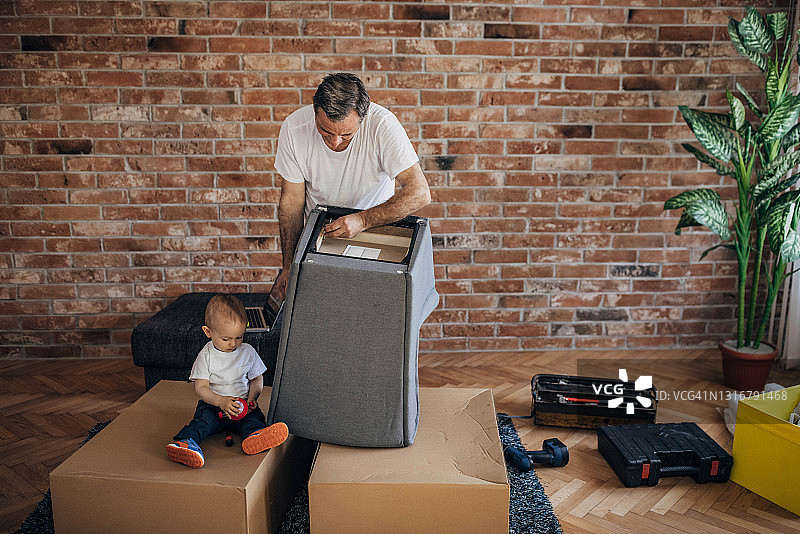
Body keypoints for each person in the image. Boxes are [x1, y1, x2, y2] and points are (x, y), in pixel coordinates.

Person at [272, 72, 432, 301]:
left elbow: (420, 192)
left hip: (373, 235)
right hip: (318, 239)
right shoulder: (295, 128)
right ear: (315, 110)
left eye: (346, 134)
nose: (335, 142)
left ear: (363, 118)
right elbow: (292, 202)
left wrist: (363, 220)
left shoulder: (383, 125)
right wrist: (289, 265)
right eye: (325, 132)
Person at [166, 294, 289, 468]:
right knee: (203, 422)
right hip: (213, 405)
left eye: (239, 337)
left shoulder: (248, 352)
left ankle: (255, 436)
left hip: (243, 405)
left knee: (253, 420)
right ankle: (186, 443)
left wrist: (253, 397)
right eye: (226, 339)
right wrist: (220, 401)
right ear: (208, 332)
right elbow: (201, 387)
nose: (233, 343)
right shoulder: (206, 355)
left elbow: (257, 379)